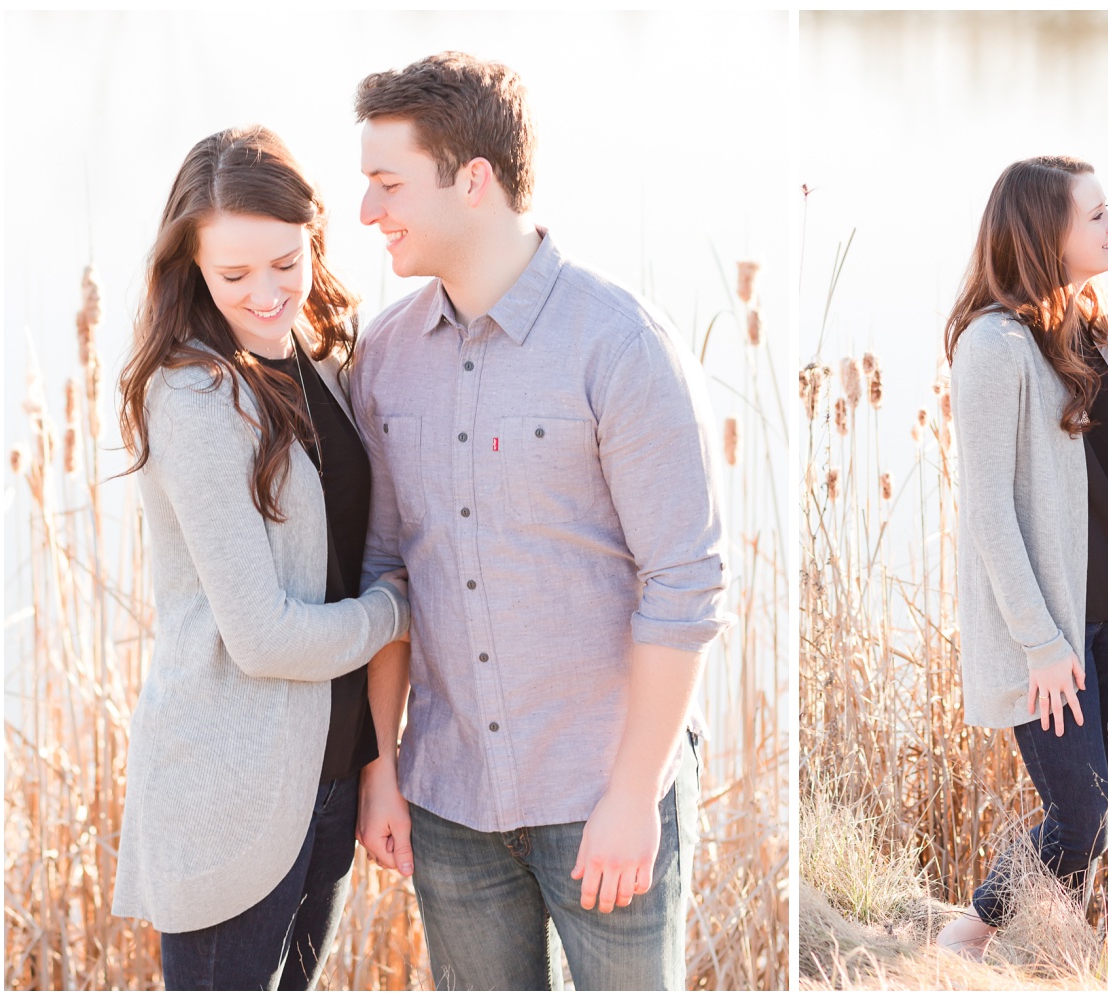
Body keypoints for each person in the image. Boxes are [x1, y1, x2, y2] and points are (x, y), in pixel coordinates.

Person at [347, 52, 728, 991]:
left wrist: (635, 794)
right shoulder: (385, 359)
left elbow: (685, 582)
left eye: (387, 183)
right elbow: (386, 571)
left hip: (604, 792)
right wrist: (379, 766)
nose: (367, 212)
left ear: (472, 181)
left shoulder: (620, 344)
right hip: (448, 802)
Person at [110, 126, 412, 990]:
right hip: (230, 792)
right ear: (192, 267)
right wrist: (397, 609)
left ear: (313, 235)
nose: (269, 293)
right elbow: (264, 638)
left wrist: (375, 764)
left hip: (326, 777)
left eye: (287, 262)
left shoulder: (316, 358)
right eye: (233, 274)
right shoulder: (195, 392)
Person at [935, 155, 1108, 959]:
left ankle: (1060, 964)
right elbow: (988, 511)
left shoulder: (1095, 329)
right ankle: (971, 930)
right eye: (1097, 215)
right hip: (1052, 631)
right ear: (1046, 232)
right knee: (1082, 818)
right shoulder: (993, 344)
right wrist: (1040, 640)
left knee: (1087, 817)